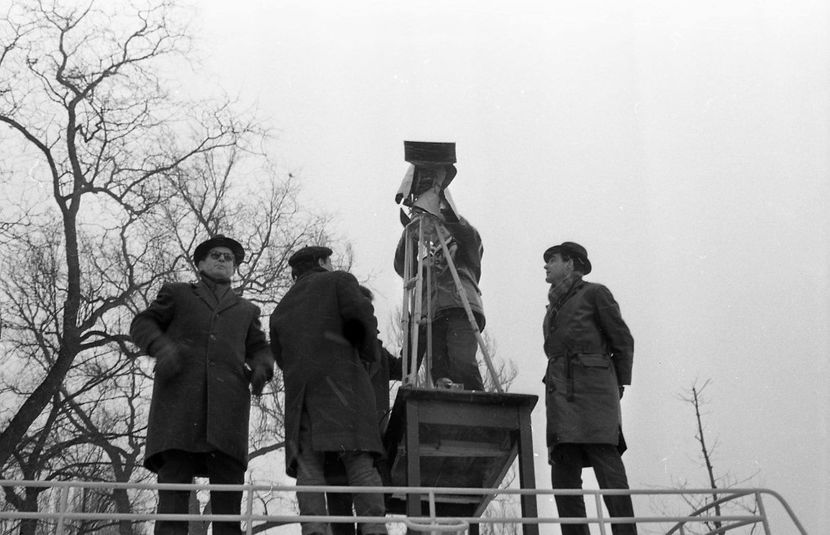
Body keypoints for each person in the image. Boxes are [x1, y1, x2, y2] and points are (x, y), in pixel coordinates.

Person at [130, 235, 274, 535]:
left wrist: (262, 366)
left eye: (229, 258)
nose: (222, 260)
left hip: (228, 412)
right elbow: (143, 323)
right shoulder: (178, 294)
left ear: (234, 268)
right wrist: (162, 347)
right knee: (172, 496)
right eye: (215, 255)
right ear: (200, 263)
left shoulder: (246, 310)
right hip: (179, 406)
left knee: (228, 503)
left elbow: (260, 348)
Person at [269, 246, 388, 535]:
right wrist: (368, 355)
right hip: (344, 389)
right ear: (322, 262)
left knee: (309, 467)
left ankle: (314, 529)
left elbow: (281, 358)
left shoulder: (281, 308)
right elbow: (361, 320)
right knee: (359, 460)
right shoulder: (339, 281)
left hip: (302, 398)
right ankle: (373, 528)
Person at [541, 241, 636, 535]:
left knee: (605, 458)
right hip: (561, 395)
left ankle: (625, 532)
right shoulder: (552, 307)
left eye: (552, 259)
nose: (546, 265)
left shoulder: (595, 293)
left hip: (594, 393)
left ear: (570, 263)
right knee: (563, 470)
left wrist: (616, 384)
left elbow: (622, 340)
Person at [393, 169, 486, 391]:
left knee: (462, 363)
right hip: (430, 316)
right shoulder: (426, 261)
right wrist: (410, 233)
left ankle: (480, 411)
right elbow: (402, 266)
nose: (433, 234)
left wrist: (442, 210)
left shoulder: (464, 251)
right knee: (440, 372)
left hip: (458, 308)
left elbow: (468, 235)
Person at [325, 286, 402, 535]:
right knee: (340, 508)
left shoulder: (378, 350)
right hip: (338, 438)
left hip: (373, 438)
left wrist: (417, 332)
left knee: (375, 502)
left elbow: (401, 368)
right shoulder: (331, 344)